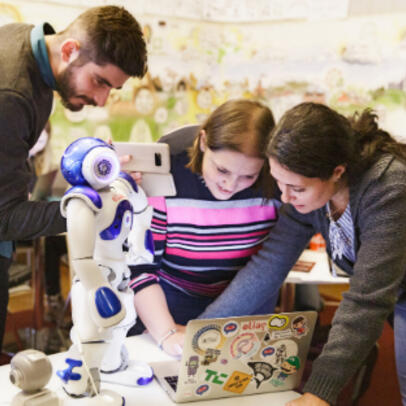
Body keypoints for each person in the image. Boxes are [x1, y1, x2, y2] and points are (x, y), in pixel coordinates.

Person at [197, 102, 406, 405]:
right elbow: (267, 266)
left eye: (295, 188)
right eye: (278, 182)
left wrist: (319, 392)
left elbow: (367, 300)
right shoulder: (307, 196)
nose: (285, 197)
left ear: (337, 172)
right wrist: (202, 332)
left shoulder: (387, 188)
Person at [0, 5, 147, 357]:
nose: (100, 100)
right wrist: (96, 204)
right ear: (69, 50)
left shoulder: (23, 43)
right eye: (99, 82)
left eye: (112, 89)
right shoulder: (13, 95)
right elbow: (5, 218)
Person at [129, 99, 281, 356]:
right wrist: (166, 333)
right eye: (222, 169)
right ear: (202, 142)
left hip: (247, 303)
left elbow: (268, 268)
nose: (230, 185)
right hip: (167, 303)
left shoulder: (277, 182)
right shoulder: (167, 174)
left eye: (248, 176)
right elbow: (141, 266)